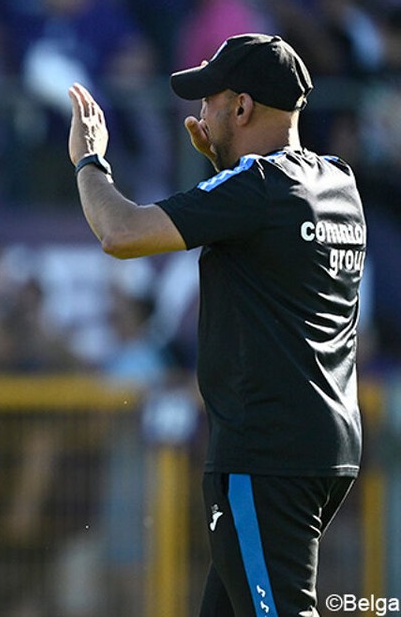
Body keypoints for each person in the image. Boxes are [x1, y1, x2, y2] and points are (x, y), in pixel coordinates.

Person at [67, 33, 365, 617]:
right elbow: (272, 242)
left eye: (210, 99)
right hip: (328, 447)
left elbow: (120, 233)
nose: (200, 111)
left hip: (264, 453)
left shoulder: (256, 188)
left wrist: (89, 161)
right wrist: (224, 163)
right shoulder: (339, 182)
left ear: (242, 107)